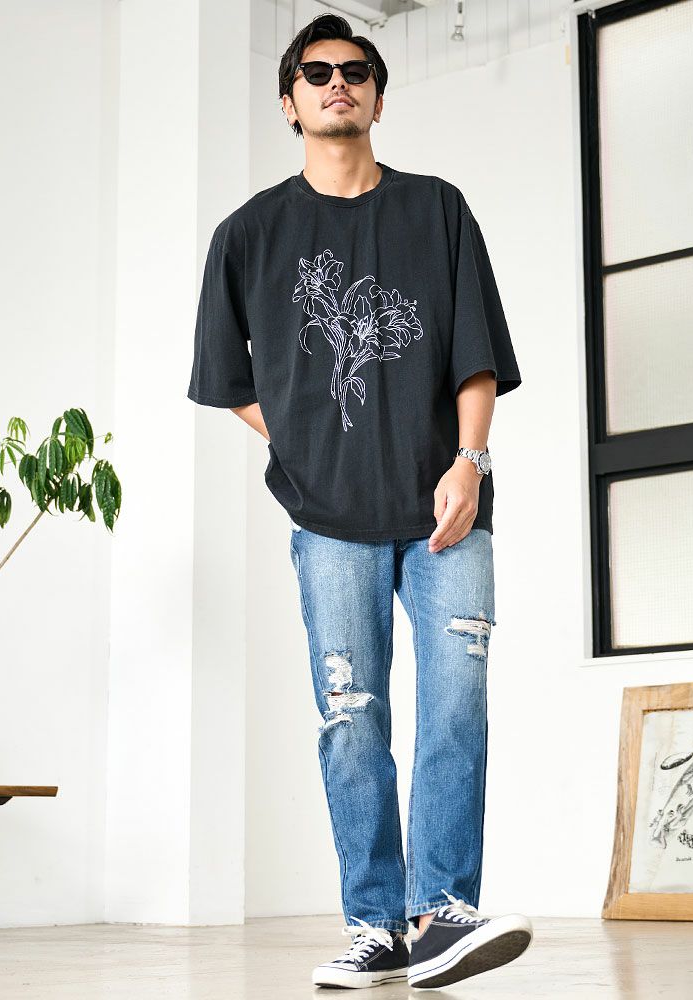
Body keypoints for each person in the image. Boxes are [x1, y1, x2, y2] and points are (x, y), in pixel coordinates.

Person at [186, 12, 533, 991]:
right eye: (316, 71)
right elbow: (226, 377)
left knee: (455, 707)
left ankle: (441, 913)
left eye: (355, 68)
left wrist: (469, 461)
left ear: (377, 93)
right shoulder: (248, 235)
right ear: (288, 101)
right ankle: (375, 927)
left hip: (445, 512)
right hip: (328, 521)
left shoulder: (437, 209)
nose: (336, 81)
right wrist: (302, 443)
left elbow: (475, 353)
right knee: (351, 717)